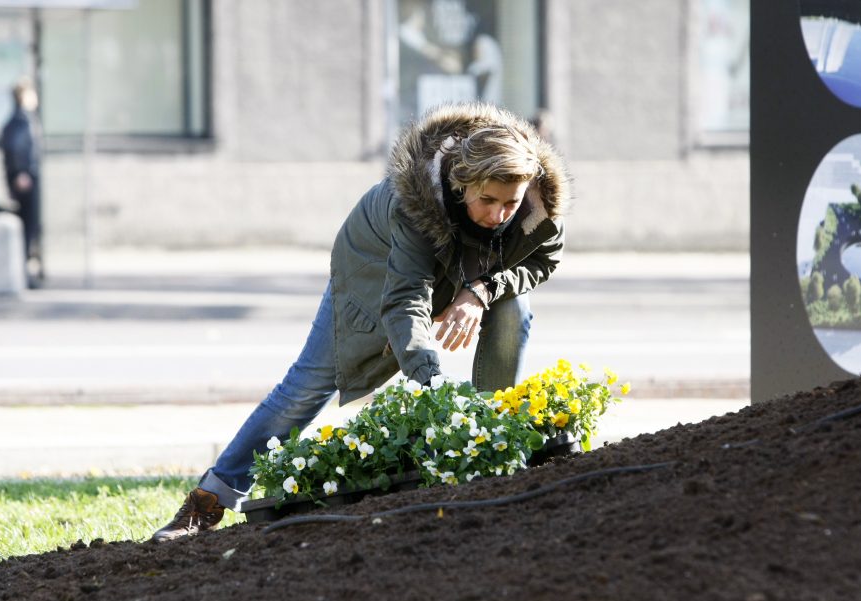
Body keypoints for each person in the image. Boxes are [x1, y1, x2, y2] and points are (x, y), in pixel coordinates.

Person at [152, 102, 569, 542]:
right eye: (487, 201)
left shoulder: (536, 207)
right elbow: (404, 299)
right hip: (372, 275)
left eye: (510, 202)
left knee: (513, 307)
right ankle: (208, 501)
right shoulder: (414, 205)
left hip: (461, 273)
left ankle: (486, 445)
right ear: (461, 183)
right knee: (307, 386)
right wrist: (434, 390)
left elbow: (544, 258)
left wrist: (480, 291)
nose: (499, 214)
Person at [1, 79, 43, 288]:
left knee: (30, 226)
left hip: (25, 177)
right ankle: (23, 274)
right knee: (27, 226)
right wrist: (21, 173)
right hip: (25, 179)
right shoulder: (20, 121)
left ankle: (25, 271)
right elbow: (17, 148)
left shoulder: (24, 119)